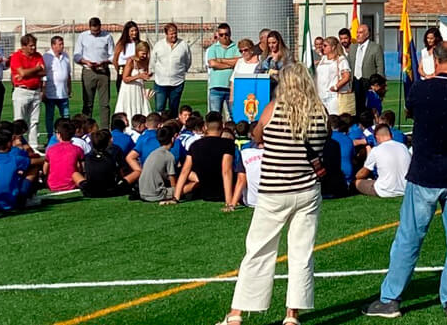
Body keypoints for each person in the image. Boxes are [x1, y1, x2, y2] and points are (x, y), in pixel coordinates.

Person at [362, 41, 447, 319]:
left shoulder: (421, 89)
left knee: (409, 238)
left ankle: (391, 299)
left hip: (425, 173)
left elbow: (412, 111)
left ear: (435, 60)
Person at [217, 63, 329, 325]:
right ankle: (292, 315)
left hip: (274, 189)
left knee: (258, 251)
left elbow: (256, 135)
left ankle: (237, 314)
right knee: (301, 254)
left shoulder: (272, 109)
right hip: (307, 188)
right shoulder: (320, 113)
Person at [169, 114, 245, 208]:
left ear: (205, 127)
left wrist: (176, 197)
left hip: (204, 193)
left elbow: (185, 171)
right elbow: (226, 171)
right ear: (222, 126)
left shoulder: (194, 145)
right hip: (223, 192)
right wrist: (229, 201)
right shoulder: (228, 144)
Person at [0, 128, 42, 211]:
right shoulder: (15, 158)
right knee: (34, 167)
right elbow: (39, 161)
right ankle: (31, 196)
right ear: (9, 143)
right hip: (14, 201)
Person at [74, 17, 115, 126]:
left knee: (105, 104)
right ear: (89, 27)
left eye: (97, 31)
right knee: (87, 102)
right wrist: (85, 61)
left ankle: (105, 129)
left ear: (100, 27)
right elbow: (76, 55)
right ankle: (86, 128)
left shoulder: (107, 36)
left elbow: (113, 55)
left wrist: (105, 62)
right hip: (88, 71)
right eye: (93, 31)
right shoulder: (83, 36)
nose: (95, 33)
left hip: (103, 72)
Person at [9, 34, 46, 150]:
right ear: (23, 46)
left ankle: (33, 146)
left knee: (34, 120)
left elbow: (44, 72)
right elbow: (22, 73)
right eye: (31, 46)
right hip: (22, 90)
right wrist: (36, 69)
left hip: (35, 91)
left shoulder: (38, 56)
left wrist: (27, 73)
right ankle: (18, 145)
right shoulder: (16, 56)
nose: (34, 48)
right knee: (19, 120)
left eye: (34, 45)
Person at [355, 124, 411, 198]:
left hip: (384, 190)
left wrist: (355, 176)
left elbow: (363, 173)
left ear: (377, 137)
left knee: (357, 183)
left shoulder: (376, 150)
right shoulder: (403, 147)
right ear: (391, 135)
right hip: (405, 188)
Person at [151, 22, 192, 115]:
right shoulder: (158, 45)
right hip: (161, 82)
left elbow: (188, 61)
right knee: (159, 108)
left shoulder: (184, 45)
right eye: (171, 34)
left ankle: (172, 128)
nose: (174, 35)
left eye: (175, 33)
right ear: (166, 34)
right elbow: (153, 61)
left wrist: (181, 72)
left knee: (174, 108)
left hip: (177, 82)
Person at [349, 24, 385, 114]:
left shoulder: (375, 48)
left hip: (369, 82)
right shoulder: (353, 47)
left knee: (369, 109)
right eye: (357, 32)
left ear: (367, 34)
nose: (357, 35)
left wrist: (378, 85)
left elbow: (380, 67)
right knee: (357, 109)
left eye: (360, 32)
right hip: (355, 82)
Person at [139, 125, 179, 202]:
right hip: (156, 194)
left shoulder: (153, 153)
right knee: (184, 187)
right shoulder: (169, 156)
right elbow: (173, 182)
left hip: (142, 193)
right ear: (172, 139)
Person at [206, 23, 238, 119]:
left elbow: (238, 62)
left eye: (226, 34)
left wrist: (220, 60)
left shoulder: (236, 47)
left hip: (231, 88)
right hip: (216, 87)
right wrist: (230, 65)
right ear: (218, 35)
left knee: (234, 115)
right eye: (221, 35)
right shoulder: (212, 48)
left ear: (230, 34)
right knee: (215, 117)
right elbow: (212, 64)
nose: (224, 37)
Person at [43, 35, 72, 137]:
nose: (62, 46)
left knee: (66, 116)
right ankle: (50, 136)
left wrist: (69, 88)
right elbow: (43, 75)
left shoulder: (66, 56)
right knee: (50, 117)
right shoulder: (46, 57)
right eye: (59, 44)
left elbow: (68, 74)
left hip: (63, 92)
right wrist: (43, 91)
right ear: (53, 45)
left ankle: (66, 136)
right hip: (51, 93)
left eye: (62, 44)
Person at [115, 41, 153, 118]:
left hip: (139, 88)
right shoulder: (131, 61)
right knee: (129, 106)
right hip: (129, 89)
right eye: (143, 53)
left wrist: (147, 75)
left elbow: (143, 75)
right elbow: (125, 78)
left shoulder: (145, 61)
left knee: (140, 105)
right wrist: (138, 76)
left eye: (146, 53)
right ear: (137, 51)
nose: (145, 55)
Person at [44, 120, 84, 192]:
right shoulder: (77, 149)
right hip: (72, 184)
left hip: (53, 185)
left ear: (59, 135)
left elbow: (45, 170)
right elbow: (82, 167)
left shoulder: (50, 150)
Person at [316, 37, 352, 116]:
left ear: (333, 47)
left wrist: (336, 87)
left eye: (325, 46)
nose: (322, 47)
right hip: (321, 95)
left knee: (334, 119)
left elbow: (346, 77)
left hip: (333, 96)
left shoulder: (341, 60)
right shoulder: (323, 59)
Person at [258, 30, 293, 99]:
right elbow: (259, 70)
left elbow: (291, 71)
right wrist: (266, 72)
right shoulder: (265, 55)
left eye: (274, 43)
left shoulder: (286, 54)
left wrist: (277, 71)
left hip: (282, 87)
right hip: (268, 87)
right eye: (269, 43)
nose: (271, 45)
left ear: (279, 42)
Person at [112, 21, 142, 96]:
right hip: (122, 70)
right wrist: (120, 70)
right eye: (132, 31)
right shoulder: (121, 44)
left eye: (135, 30)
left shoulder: (139, 44)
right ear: (127, 32)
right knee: (123, 94)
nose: (134, 33)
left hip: (135, 71)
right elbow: (115, 60)